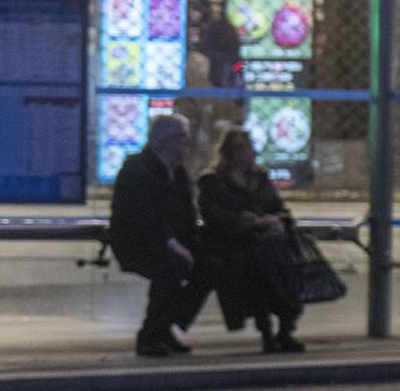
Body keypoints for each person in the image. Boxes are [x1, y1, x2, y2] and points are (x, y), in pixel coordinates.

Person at [109, 113, 209, 358]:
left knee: (210, 266)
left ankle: (165, 325)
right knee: (171, 267)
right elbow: (144, 216)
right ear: (168, 140)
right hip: (140, 243)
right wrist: (174, 244)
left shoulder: (179, 172)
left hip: (172, 242)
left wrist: (196, 244)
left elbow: (187, 214)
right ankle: (151, 334)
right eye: (183, 140)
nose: (187, 146)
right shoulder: (137, 169)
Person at [199, 128, 306, 353]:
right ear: (230, 152)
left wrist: (276, 219)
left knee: (284, 268)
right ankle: (269, 331)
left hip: (268, 240)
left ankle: (285, 328)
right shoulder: (213, 180)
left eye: (249, 148)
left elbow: (279, 209)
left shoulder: (259, 177)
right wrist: (245, 222)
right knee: (258, 270)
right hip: (236, 244)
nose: (248, 154)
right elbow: (212, 214)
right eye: (241, 149)